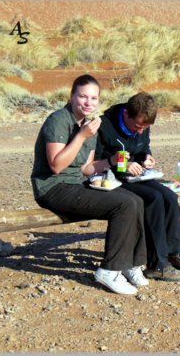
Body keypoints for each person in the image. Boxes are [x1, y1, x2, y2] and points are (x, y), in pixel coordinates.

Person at [30, 74, 148, 295]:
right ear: (71, 96)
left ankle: (132, 262)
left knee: (134, 199)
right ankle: (109, 270)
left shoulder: (89, 125)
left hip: (77, 183)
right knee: (124, 205)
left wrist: (111, 161)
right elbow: (56, 166)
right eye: (83, 96)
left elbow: (86, 168)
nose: (88, 103)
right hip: (53, 187)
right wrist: (82, 136)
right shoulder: (58, 120)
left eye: (93, 98)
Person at [95, 92, 180, 282]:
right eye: (138, 126)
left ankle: (176, 251)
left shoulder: (142, 123)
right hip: (112, 179)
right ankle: (157, 264)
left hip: (137, 177)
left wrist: (146, 158)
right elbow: (96, 160)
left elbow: (143, 147)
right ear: (126, 114)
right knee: (153, 199)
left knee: (169, 197)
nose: (141, 131)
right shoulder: (104, 126)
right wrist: (123, 164)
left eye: (145, 127)